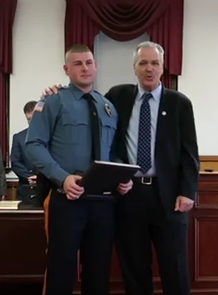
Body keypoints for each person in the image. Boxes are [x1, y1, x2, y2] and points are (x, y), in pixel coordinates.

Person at [44, 41, 199, 295]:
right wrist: (56, 90)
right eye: (143, 63)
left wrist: (188, 191)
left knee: (175, 268)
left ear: (163, 67)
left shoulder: (179, 102)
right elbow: (86, 103)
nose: (149, 69)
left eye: (154, 63)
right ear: (134, 68)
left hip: (170, 196)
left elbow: (189, 153)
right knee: (134, 270)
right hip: (129, 195)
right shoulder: (117, 97)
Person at [25, 44, 132, 295]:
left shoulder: (107, 106)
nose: (85, 68)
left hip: (103, 204)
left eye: (89, 62)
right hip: (67, 200)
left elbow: (112, 152)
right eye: (77, 63)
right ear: (66, 69)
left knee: (98, 274)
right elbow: (34, 145)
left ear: (95, 66)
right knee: (60, 272)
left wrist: (121, 177)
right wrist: (62, 179)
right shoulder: (53, 101)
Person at [11, 101, 37, 200]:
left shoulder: (51, 137)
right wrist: (29, 177)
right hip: (25, 188)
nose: (32, 123)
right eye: (29, 119)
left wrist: (41, 178)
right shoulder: (19, 137)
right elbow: (15, 162)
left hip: (47, 188)